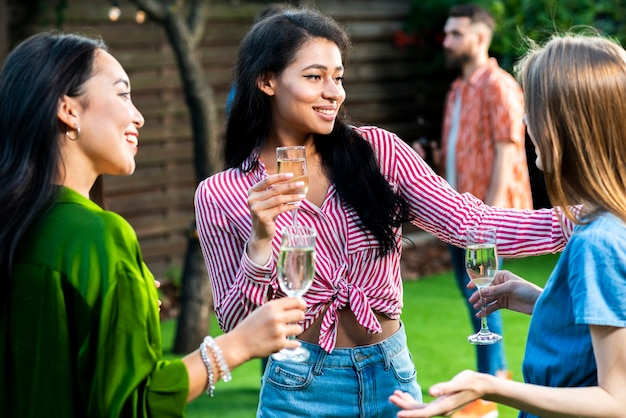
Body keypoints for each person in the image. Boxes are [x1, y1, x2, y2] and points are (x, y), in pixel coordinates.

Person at [194, 7, 573, 418]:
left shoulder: (380, 152)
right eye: (314, 77)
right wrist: (261, 241)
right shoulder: (221, 193)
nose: (334, 92)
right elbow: (234, 324)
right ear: (267, 81)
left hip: (392, 376)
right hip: (298, 389)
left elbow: (470, 222)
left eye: (337, 77)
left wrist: (580, 220)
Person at [0, 31, 307, 417]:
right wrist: (238, 344)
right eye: (123, 94)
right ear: (68, 109)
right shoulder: (97, 236)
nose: (138, 116)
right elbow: (133, 404)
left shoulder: (18, 230)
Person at [389, 33, 626, 418]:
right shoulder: (610, 220)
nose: (524, 122)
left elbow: (616, 401)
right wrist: (543, 301)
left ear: (564, 127)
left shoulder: (598, 239)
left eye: (532, 109)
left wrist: (488, 385)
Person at [434, 5, 532, 416]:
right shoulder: (458, 90)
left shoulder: (499, 86)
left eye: (455, 33)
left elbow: (508, 150)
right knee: (477, 301)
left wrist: (486, 221)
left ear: (479, 37)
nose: (447, 41)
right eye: (447, 33)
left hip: (487, 220)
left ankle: (486, 397)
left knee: (487, 301)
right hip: (460, 219)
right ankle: (496, 380)